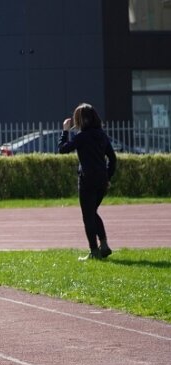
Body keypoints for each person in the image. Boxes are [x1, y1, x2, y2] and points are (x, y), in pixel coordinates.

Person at [58, 103, 117, 261]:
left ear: (81, 120)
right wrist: (108, 177)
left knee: (88, 216)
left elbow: (62, 149)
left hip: (87, 180)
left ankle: (94, 251)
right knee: (93, 212)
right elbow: (112, 158)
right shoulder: (102, 135)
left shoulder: (82, 137)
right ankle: (103, 244)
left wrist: (65, 131)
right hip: (102, 180)